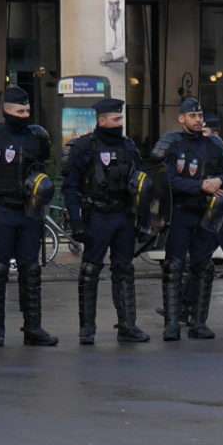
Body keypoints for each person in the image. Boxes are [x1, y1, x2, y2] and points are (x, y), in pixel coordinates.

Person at [0, 87, 57, 348]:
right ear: (6, 110)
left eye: (27, 110)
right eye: (20, 110)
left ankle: (33, 327)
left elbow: (43, 167)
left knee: (31, 270)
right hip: (1, 210)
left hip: (29, 211)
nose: (25, 115)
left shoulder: (36, 137)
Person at [66, 96, 150, 345]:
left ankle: (127, 325)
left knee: (124, 270)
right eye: (115, 119)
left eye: (120, 118)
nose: (120, 123)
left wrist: (143, 220)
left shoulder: (128, 147)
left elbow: (141, 184)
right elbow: (71, 187)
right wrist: (76, 221)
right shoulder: (84, 147)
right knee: (90, 271)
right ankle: (87, 328)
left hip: (123, 215)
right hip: (98, 215)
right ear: (101, 121)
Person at [153, 94, 223, 341]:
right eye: (193, 116)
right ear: (181, 118)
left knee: (203, 266)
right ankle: (172, 324)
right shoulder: (173, 144)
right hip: (181, 212)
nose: (198, 120)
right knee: (174, 267)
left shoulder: (213, 146)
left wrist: (219, 181)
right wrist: (200, 186)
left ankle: (199, 322)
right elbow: (167, 180)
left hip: (207, 214)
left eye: (200, 115)